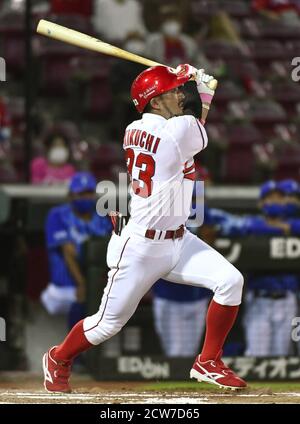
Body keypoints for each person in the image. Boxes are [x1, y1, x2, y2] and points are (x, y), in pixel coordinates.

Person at [42, 64, 246, 392]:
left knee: (230, 281)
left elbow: (189, 129)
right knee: (106, 325)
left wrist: (185, 80)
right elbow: (197, 121)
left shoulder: (134, 129)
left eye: (179, 90)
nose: (181, 95)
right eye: (172, 92)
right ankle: (59, 358)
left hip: (178, 241)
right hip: (140, 247)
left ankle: (208, 361)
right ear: (154, 102)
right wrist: (204, 87)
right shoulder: (174, 131)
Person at [41, 172, 112, 330]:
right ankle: (74, 353)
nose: (86, 197)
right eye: (81, 193)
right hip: (64, 287)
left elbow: (111, 250)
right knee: (83, 299)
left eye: (89, 193)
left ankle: (87, 351)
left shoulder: (101, 217)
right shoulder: (58, 215)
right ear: (71, 195)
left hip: (97, 283)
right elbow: (69, 252)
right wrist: (83, 284)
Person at [243, 181, 298, 356]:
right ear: (261, 203)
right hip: (259, 299)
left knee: (281, 355)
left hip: (287, 300)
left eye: (279, 198)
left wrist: (289, 227)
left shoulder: (295, 225)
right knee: (257, 355)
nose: (275, 201)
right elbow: (246, 225)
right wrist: (280, 228)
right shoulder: (251, 225)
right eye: (270, 198)